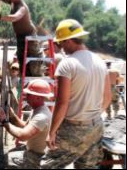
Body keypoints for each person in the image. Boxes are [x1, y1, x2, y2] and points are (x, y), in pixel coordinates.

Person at [41, 19, 112, 169]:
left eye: (60, 44)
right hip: (95, 126)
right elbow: (107, 98)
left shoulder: (67, 64)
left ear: (68, 41)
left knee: (48, 166)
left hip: (73, 128)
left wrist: (52, 132)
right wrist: (90, 117)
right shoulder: (100, 62)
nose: (61, 48)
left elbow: (62, 103)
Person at [0, 0, 43, 76]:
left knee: (34, 65)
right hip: (20, 37)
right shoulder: (13, 2)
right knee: (22, 61)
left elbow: (14, 17)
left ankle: (36, 82)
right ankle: (25, 84)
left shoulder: (22, 7)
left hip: (30, 37)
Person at [0, 79, 53, 169]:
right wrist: (12, 116)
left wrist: (4, 122)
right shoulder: (37, 110)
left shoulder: (41, 116)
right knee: (11, 153)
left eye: (29, 94)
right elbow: (25, 126)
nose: (26, 97)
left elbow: (23, 136)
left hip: (40, 158)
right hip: (34, 152)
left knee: (5, 159)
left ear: (38, 97)